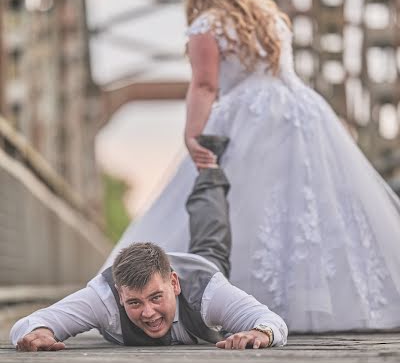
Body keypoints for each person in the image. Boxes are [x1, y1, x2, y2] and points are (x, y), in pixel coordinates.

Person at [100, 0, 400, 334]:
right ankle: (334, 301)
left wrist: (193, 135)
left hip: (248, 115)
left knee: (242, 202)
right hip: (302, 112)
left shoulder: (207, 25)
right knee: (311, 205)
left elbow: (206, 85)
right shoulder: (270, 15)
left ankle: (238, 304)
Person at [11, 136, 288, 351]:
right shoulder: (101, 298)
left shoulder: (208, 291)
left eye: (156, 297)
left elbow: (272, 322)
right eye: (134, 302)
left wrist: (260, 333)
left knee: (211, 237)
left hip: (202, 265)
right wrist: (40, 334)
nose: (148, 312)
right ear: (119, 295)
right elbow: (28, 324)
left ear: (174, 284)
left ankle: (209, 172)